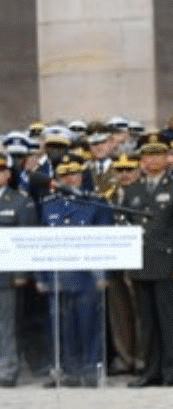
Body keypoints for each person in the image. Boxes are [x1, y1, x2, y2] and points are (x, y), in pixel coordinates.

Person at [117, 132, 173, 387]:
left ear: (166, 158)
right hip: (141, 264)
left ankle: (170, 371)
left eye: (157, 155)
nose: (152, 161)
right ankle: (150, 370)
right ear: (141, 160)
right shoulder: (133, 191)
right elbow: (126, 229)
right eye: (147, 156)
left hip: (167, 265)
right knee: (147, 322)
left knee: (169, 320)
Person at [36, 158, 109, 387]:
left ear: (82, 176)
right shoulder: (48, 205)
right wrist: (42, 277)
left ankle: (90, 369)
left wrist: (103, 275)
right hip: (58, 276)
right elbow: (39, 243)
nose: (70, 179)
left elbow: (106, 242)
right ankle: (67, 371)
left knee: (88, 325)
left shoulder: (95, 203)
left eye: (74, 174)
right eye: (64, 174)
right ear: (57, 178)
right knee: (61, 328)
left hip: (87, 277)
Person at [0, 153, 36, 386]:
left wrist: (22, 273)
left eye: (1, 170)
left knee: (6, 324)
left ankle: (7, 368)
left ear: (7, 174)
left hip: (6, 275)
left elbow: (27, 239)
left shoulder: (20, 201)